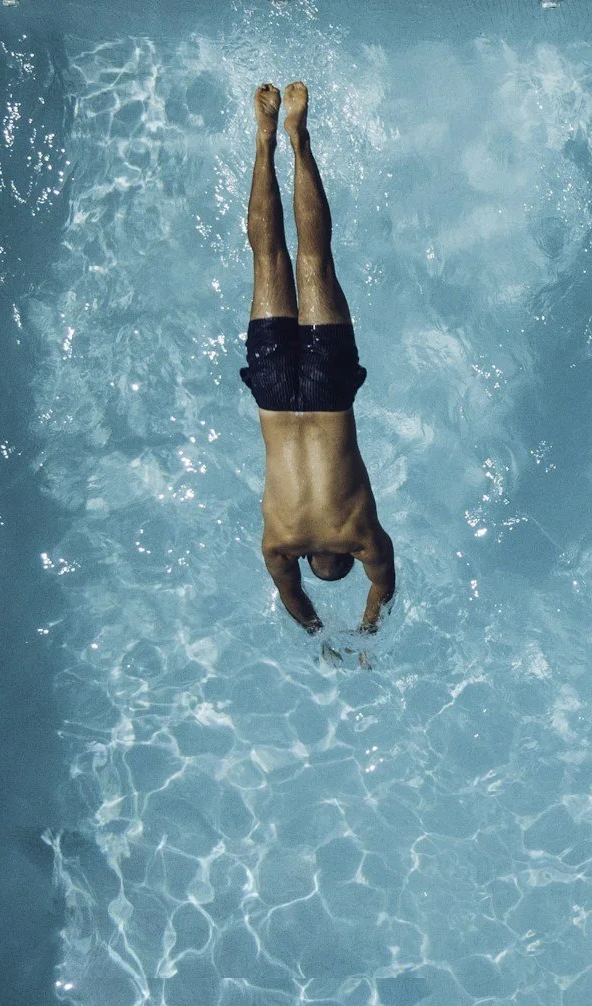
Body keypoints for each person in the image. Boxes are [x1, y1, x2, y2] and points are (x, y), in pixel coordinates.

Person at [241, 81, 395, 637]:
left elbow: (384, 585)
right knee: (268, 261)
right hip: (274, 397)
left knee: (315, 258)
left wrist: (365, 630)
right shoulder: (279, 543)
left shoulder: (361, 536)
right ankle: (264, 141)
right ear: (311, 559)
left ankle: (297, 139)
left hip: (330, 395)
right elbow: (290, 595)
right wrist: (316, 632)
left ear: (345, 560)